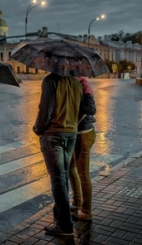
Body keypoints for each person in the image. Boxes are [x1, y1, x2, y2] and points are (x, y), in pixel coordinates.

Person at [33, 73, 83, 237]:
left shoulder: (50, 81)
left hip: (54, 134)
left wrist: (38, 129)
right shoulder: (75, 82)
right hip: (71, 134)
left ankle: (64, 224)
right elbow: (82, 108)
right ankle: (63, 218)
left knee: (58, 179)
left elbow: (45, 109)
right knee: (63, 178)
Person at [69, 76, 97, 221]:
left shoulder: (83, 84)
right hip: (75, 133)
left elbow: (92, 109)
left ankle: (86, 211)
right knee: (70, 168)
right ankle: (77, 202)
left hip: (84, 134)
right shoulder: (71, 82)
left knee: (83, 173)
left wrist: (74, 102)